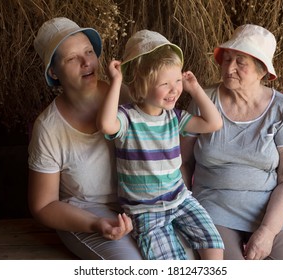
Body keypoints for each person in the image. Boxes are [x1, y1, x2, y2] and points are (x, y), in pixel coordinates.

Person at [180, 24, 283, 260]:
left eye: (240, 62)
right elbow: (182, 161)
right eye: (227, 59)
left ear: (262, 71)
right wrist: (183, 209)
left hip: (271, 212)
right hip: (214, 207)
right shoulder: (204, 99)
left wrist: (268, 231)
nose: (229, 68)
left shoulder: (282, 108)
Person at [97, 30, 224, 260]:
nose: (175, 89)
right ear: (141, 87)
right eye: (164, 83)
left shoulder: (174, 118)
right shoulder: (127, 119)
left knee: (213, 244)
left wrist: (195, 89)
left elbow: (214, 123)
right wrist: (116, 81)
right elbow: (106, 125)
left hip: (180, 197)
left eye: (177, 81)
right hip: (144, 210)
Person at [28, 17, 143, 259]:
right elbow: (43, 205)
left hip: (138, 203)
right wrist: (95, 223)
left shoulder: (124, 94)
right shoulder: (48, 128)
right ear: (53, 72)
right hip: (84, 213)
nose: (86, 62)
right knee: (130, 266)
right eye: (71, 58)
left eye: (89, 51)